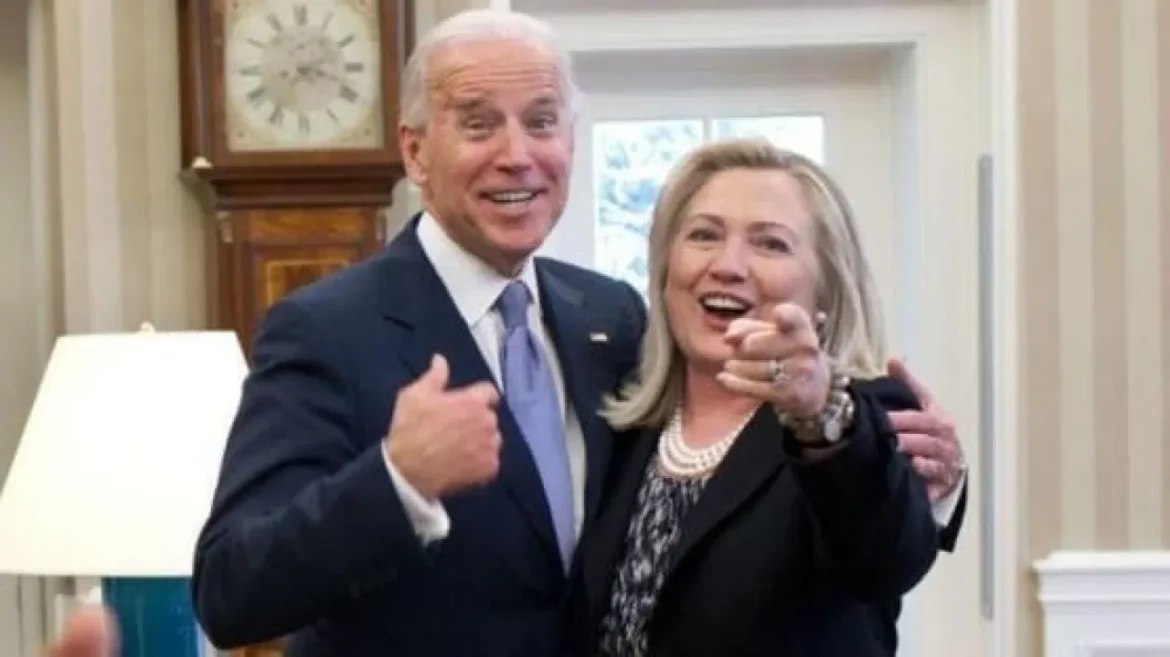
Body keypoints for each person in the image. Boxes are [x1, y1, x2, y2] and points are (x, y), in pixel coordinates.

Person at [42, 9, 966, 657]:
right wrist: (396, 480)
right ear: (415, 149)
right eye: (477, 123)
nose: (516, 153)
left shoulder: (610, 321)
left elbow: (864, 531)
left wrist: (928, 477)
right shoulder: (324, 329)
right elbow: (232, 589)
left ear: (571, 140)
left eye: (542, 121)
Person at [573, 138, 946, 656]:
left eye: (770, 244)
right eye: (704, 235)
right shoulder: (623, 419)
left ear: (826, 287)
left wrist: (817, 412)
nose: (728, 265)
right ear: (664, 270)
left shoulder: (865, 419)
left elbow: (885, 561)